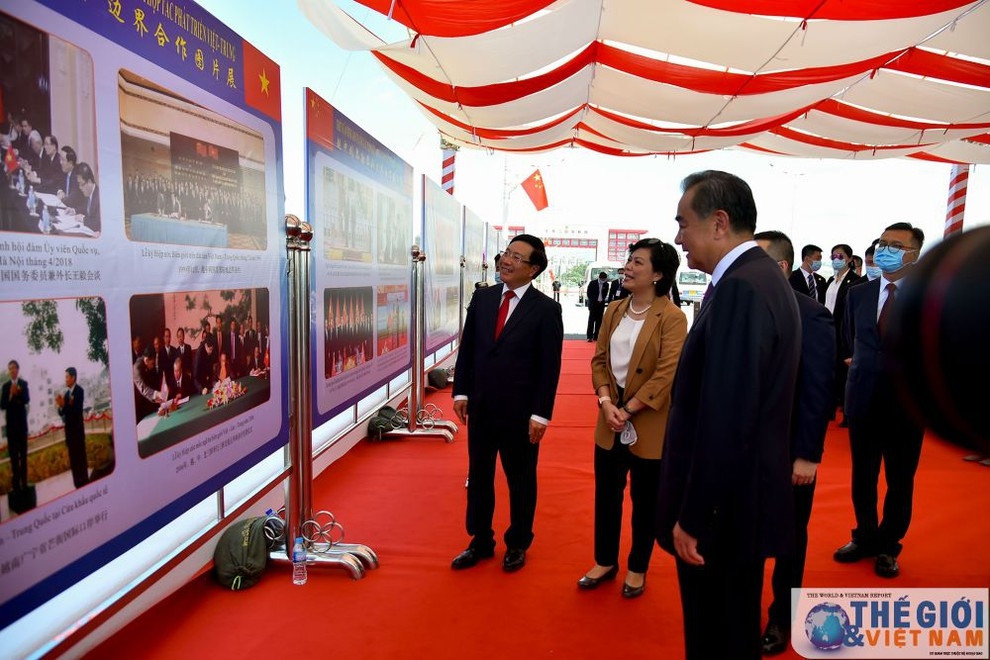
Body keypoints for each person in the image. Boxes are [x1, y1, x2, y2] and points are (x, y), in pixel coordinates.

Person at [656, 171, 801, 660]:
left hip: (723, 516)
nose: (677, 237)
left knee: (716, 633)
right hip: (740, 504)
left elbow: (727, 416)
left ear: (718, 223)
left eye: (683, 222)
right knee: (732, 627)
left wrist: (696, 516)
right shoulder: (759, 279)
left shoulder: (741, 288)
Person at [450, 234, 563, 573]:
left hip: (521, 413)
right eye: (506, 254)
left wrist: (541, 414)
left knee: (521, 479)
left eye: (516, 257)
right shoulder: (483, 299)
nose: (506, 261)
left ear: (533, 269)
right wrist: (461, 392)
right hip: (481, 408)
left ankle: (517, 543)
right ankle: (480, 540)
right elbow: (468, 347)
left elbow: (549, 367)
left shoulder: (546, 310)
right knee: (479, 476)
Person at [580, 239, 686, 598]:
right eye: (629, 260)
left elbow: (666, 373)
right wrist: (607, 402)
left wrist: (629, 410)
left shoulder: (672, 317)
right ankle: (604, 560)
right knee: (606, 496)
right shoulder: (613, 310)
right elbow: (600, 360)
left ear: (657, 274)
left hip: (648, 421)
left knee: (645, 501)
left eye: (637, 262)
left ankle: (638, 567)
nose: (628, 267)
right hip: (609, 417)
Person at [754, 230, 836, 655]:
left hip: (789, 453)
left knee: (788, 539)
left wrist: (807, 454)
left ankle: (782, 619)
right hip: (742, 451)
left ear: (781, 268)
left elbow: (817, 389)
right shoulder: (737, 306)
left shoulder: (813, 315)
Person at [834, 222, 926, 579]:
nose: (886, 249)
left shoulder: (928, 295)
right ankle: (865, 537)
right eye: (883, 243)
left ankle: (889, 545)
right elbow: (849, 338)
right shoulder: (859, 293)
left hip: (908, 406)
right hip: (864, 400)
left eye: (896, 245)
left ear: (914, 254)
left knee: (900, 481)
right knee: (864, 477)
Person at [824, 243, 862, 427]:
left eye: (840, 256)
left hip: (842, 333)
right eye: (833, 256)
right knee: (829, 372)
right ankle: (828, 408)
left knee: (845, 376)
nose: (836, 260)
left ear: (849, 259)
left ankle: (848, 413)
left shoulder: (854, 281)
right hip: (827, 332)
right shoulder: (831, 281)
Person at [56, 367, 88, 489]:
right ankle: (77, 483)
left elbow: (76, 411)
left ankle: (84, 481)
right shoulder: (67, 394)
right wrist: (60, 406)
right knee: (73, 460)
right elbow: (62, 413)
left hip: (77, 433)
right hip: (69, 434)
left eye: (67, 377)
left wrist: (65, 406)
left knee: (81, 458)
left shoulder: (79, 391)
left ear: (73, 377)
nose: (65, 379)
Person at [1, 360, 30, 493]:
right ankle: (16, 485)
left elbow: (26, 399)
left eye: (14, 368)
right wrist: (11, 395)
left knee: (23, 456)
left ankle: (24, 482)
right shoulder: (5, 386)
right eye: (10, 368)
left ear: (18, 370)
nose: (12, 370)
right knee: (13, 457)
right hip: (11, 428)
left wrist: (18, 393)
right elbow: (2, 405)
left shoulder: (23, 384)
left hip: (22, 426)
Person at [585, 271, 610, 342]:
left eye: (604, 279)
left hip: (601, 304)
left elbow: (605, 293)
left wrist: (601, 300)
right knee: (591, 320)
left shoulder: (606, 284)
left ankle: (596, 336)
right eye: (602, 279)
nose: (603, 280)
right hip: (593, 304)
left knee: (599, 321)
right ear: (599, 278)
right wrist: (593, 300)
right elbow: (589, 293)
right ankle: (589, 336)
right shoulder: (593, 283)